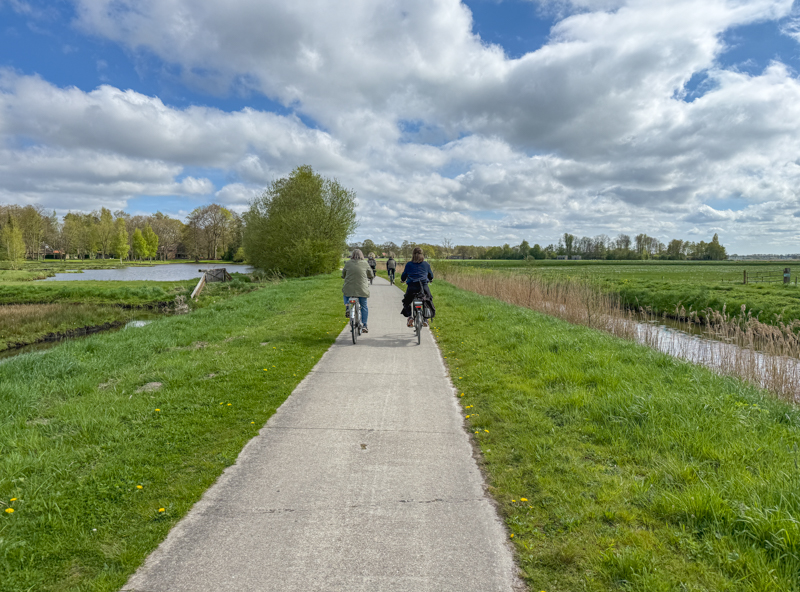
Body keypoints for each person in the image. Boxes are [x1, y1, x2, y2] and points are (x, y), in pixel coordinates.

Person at [342, 249, 374, 333]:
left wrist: (344, 276)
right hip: (362, 289)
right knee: (364, 306)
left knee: (345, 294)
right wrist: (370, 277)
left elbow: (343, 274)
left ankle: (348, 307)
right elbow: (371, 274)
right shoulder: (365, 263)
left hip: (349, 289)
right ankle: (364, 325)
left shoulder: (348, 263)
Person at [400, 246, 433, 327]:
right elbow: (431, 275)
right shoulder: (426, 264)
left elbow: (404, 276)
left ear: (413, 255)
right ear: (422, 255)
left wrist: (403, 279)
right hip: (423, 287)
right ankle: (425, 319)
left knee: (406, 301)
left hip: (412, 287)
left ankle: (410, 317)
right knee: (428, 299)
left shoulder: (409, 264)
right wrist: (429, 279)